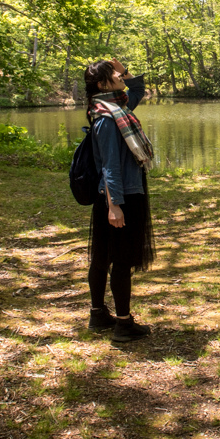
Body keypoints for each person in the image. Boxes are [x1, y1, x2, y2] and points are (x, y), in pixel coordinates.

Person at [83, 57, 155, 342]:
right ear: (102, 84)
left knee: (102, 256)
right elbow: (109, 166)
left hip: (118, 194)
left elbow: (138, 91)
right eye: (114, 73)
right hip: (119, 195)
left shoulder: (116, 108)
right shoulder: (107, 118)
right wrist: (115, 206)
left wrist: (124, 69)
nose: (120, 75)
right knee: (120, 260)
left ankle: (98, 315)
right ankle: (123, 325)